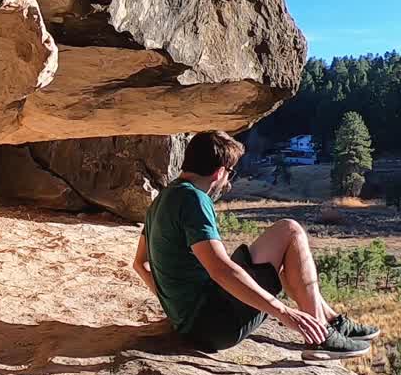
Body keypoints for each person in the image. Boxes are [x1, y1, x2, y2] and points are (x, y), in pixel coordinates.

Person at [132, 131, 380, 359]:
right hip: (213, 326)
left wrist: (174, 307)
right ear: (220, 172)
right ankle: (320, 337)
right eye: (231, 173)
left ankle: (329, 319)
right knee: (290, 230)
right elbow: (221, 270)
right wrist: (284, 312)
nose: (228, 181)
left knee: (281, 250)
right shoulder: (194, 199)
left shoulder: (164, 198)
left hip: (193, 320)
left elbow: (140, 263)